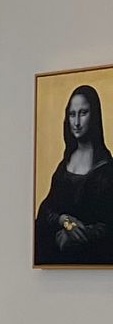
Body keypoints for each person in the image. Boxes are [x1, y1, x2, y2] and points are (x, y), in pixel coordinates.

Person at [35, 81, 113, 263]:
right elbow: (46, 210)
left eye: (83, 113)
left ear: (95, 116)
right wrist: (64, 221)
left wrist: (75, 235)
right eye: (72, 115)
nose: (76, 122)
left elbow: (109, 225)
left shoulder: (107, 169)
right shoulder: (64, 165)